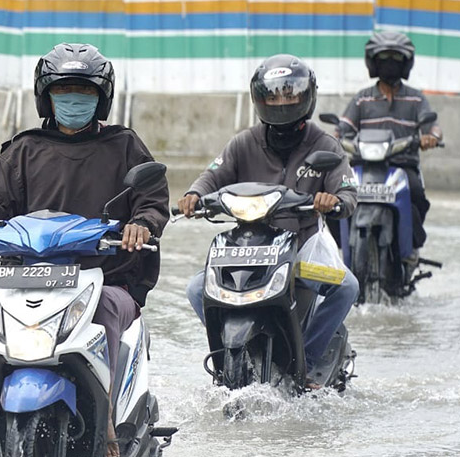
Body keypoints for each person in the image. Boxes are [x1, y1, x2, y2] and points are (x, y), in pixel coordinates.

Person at [0, 43, 170, 457]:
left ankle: (105, 420)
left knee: (103, 309)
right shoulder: (24, 149)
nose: (74, 100)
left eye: (84, 92)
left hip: (104, 277)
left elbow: (151, 197)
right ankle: (0, 409)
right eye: (65, 90)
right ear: (46, 96)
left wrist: (142, 224)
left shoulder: (124, 145)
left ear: (100, 98)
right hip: (30, 276)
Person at [177, 54, 359, 389]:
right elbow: (212, 176)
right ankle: (225, 358)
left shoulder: (325, 145)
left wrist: (333, 200)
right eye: (273, 96)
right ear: (260, 100)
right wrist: (193, 195)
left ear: (306, 97)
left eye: (290, 95)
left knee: (346, 287)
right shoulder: (243, 143)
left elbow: (346, 190)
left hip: (301, 250)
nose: (282, 102)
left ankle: (308, 358)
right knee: (196, 289)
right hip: (245, 247)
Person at [335, 31, 443, 255]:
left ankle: (410, 251)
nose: (390, 64)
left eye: (396, 59)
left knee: (417, 196)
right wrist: (334, 137)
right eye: (384, 59)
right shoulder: (362, 98)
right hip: (363, 166)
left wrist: (431, 137)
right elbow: (343, 128)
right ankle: (340, 249)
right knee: (338, 198)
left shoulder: (416, 98)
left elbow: (432, 126)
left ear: (405, 64)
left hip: (402, 166)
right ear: (373, 63)